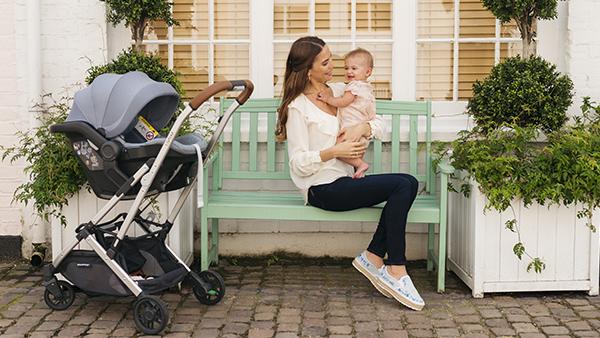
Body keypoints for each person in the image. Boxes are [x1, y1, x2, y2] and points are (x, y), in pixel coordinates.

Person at [275, 36, 424, 311]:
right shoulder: (298, 107)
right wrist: (333, 150)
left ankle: (375, 257)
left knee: (407, 183)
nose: (334, 66)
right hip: (321, 189)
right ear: (309, 69)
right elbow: (297, 163)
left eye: (332, 58)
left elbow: (379, 122)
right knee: (403, 185)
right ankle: (393, 268)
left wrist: (362, 129)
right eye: (326, 62)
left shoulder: (342, 90)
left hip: (343, 180)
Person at [316, 48, 376, 179]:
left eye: (354, 68)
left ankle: (360, 165)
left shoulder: (353, 87)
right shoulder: (367, 88)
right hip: (361, 130)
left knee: (338, 150)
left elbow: (344, 102)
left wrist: (328, 99)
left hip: (351, 128)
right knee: (352, 152)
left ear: (368, 71)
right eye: (346, 68)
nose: (349, 72)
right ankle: (358, 170)